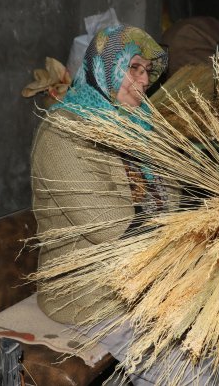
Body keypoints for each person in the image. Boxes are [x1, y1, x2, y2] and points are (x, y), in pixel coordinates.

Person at [30, 24, 186, 384]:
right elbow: (113, 230)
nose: (144, 79)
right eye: (134, 68)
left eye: (147, 70)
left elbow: (172, 194)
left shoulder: (137, 126)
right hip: (91, 291)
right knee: (182, 365)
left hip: (145, 276)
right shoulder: (64, 133)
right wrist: (185, 238)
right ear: (105, 69)